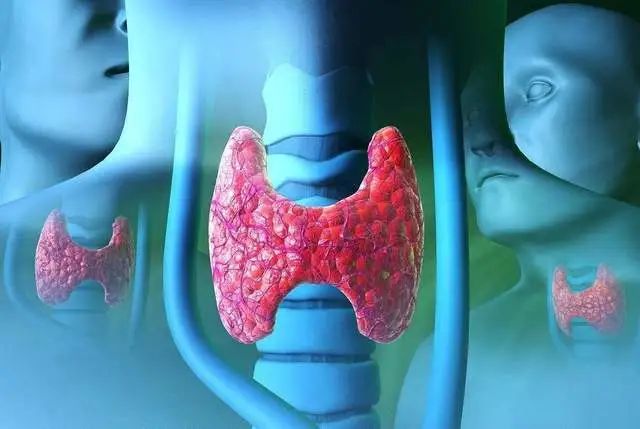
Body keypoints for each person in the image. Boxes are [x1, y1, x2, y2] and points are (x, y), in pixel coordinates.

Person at [396, 4, 640, 428]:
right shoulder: (444, 364)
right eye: (468, 118)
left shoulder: (444, 368)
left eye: (537, 91)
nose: (482, 141)